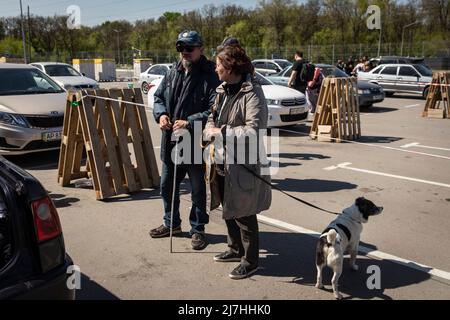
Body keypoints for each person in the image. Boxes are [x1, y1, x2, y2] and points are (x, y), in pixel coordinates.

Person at [203, 39, 272, 280]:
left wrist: (220, 132)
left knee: (244, 213)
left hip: (245, 164)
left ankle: (250, 260)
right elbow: (212, 118)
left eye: (218, 64)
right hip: (221, 160)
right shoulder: (222, 91)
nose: (215, 68)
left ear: (230, 67)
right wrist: (211, 129)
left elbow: (255, 130)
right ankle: (234, 249)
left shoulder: (252, 93)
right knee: (228, 206)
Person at [149, 30, 220, 250]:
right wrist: (160, 114)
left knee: (198, 189)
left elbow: (214, 109)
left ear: (200, 49)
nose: (184, 53)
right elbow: (159, 97)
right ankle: (172, 224)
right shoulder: (173, 71)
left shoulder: (211, 74)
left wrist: (189, 122)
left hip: (195, 144)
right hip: (171, 141)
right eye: (181, 48)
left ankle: (197, 229)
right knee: (167, 186)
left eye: (189, 48)